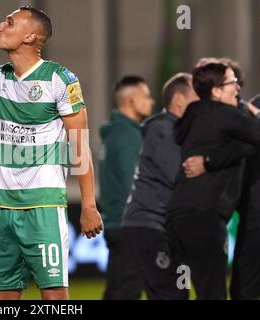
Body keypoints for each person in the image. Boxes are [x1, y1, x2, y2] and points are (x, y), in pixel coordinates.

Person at [0, 6, 103, 300]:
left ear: (31, 35)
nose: (0, 25)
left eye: (10, 22)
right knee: (2, 300)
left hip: (44, 208)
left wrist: (88, 206)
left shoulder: (60, 79)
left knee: (54, 299)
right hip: (2, 210)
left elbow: (79, 147)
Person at [166, 62, 260, 299]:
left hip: (177, 217)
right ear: (216, 91)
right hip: (205, 217)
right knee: (213, 294)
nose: (238, 88)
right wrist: (256, 114)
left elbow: (239, 145)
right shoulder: (226, 114)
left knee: (179, 293)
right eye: (232, 83)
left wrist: (208, 160)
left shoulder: (193, 114)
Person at [122, 73, 198, 300]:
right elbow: (180, 174)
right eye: (197, 95)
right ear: (179, 100)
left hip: (168, 228)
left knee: (179, 292)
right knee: (169, 293)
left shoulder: (178, 130)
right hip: (150, 226)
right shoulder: (164, 130)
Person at [98, 75, 154, 300]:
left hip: (115, 221)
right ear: (131, 100)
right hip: (129, 224)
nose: (151, 101)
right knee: (127, 291)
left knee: (117, 289)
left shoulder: (112, 133)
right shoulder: (128, 135)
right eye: (146, 96)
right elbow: (135, 183)